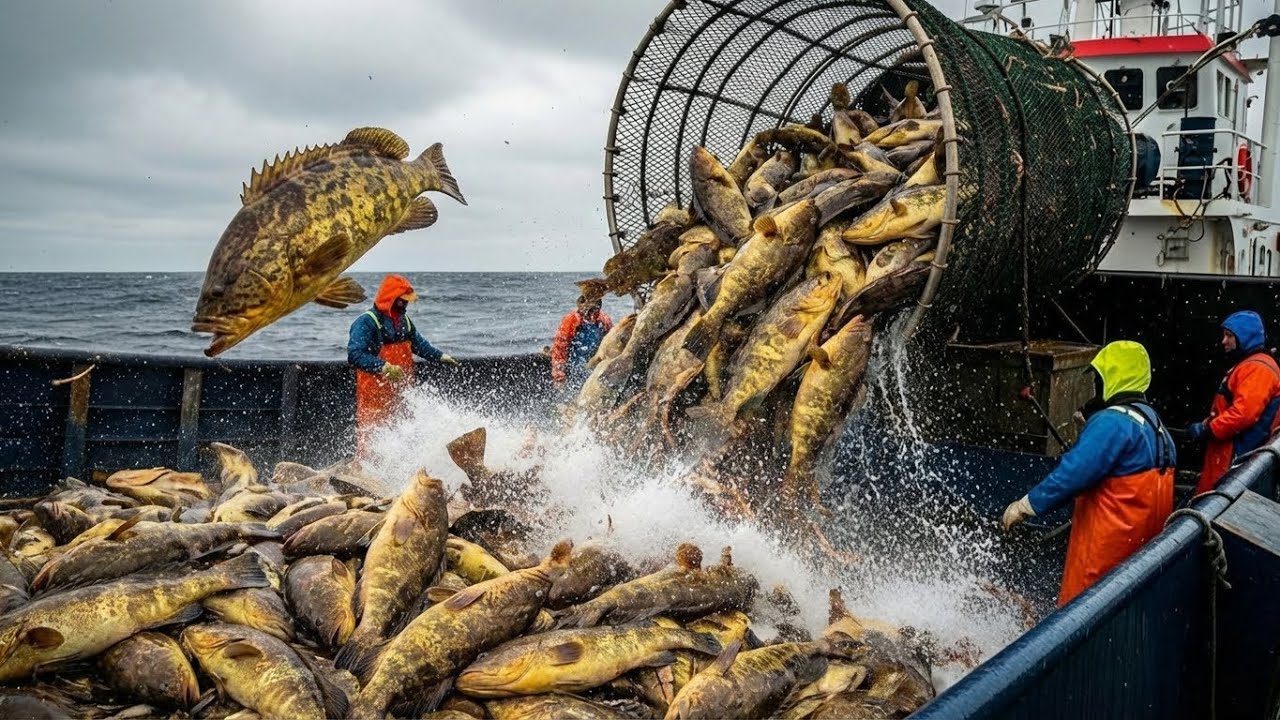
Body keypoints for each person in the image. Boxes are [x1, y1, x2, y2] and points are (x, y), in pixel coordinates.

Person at [1001, 340, 1175, 607]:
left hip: (1102, 562)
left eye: (1098, 378)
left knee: (1077, 616)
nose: (1096, 385)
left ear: (1112, 377)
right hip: (1137, 564)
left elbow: (1073, 475)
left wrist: (1027, 505)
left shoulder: (1112, 423)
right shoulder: (1155, 424)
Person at [348, 274, 458, 455]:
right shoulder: (366, 323)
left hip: (401, 390)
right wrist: (383, 367)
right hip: (374, 393)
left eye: (407, 302)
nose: (405, 305)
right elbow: (355, 354)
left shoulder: (404, 321)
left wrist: (440, 356)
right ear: (390, 299)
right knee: (372, 440)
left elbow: (419, 345)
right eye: (402, 301)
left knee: (404, 434)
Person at [1187, 310, 1280, 494]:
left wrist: (1208, 429)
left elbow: (1243, 414)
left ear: (1245, 337)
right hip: (1235, 454)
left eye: (1229, 336)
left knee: (1218, 505)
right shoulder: (1253, 365)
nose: (1224, 341)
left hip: (1236, 456)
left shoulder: (1257, 368)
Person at [551, 294, 612, 391]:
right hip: (573, 369)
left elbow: (610, 344)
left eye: (597, 305)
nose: (593, 310)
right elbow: (560, 348)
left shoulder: (603, 321)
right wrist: (559, 376)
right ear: (580, 304)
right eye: (590, 305)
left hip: (594, 368)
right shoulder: (571, 320)